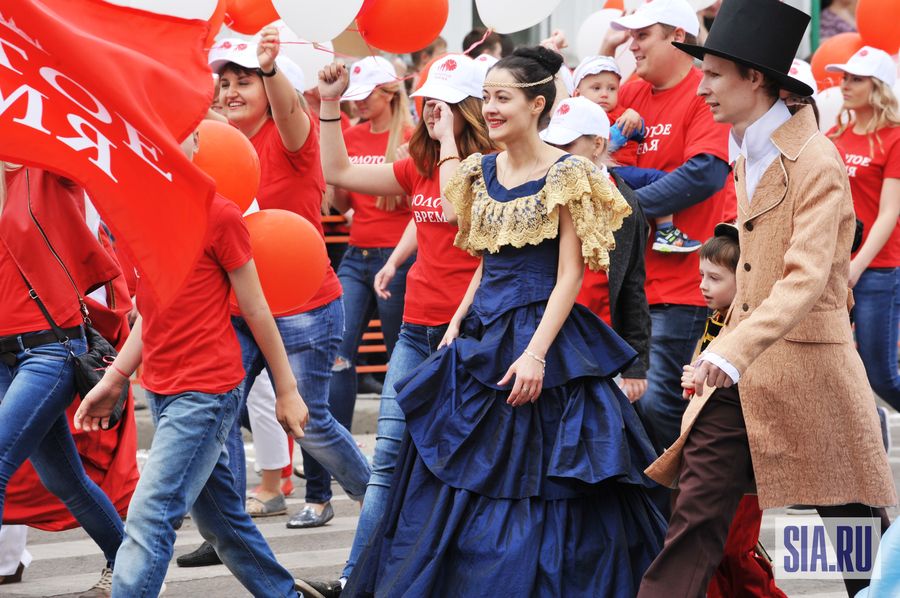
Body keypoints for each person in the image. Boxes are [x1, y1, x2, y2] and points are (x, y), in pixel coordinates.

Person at [344, 45, 666, 598]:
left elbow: (569, 276)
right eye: (486, 96)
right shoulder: (481, 171)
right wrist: (457, 322)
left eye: (503, 98)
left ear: (537, 105)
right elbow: (484, 259)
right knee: (455, 475)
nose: (490, 108)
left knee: (546, 479)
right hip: (482, 335)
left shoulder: (568, 173)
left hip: (543, 338)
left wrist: (536, 354)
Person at [639, 1, 897, 597]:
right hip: (742, 372)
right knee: (694, 518)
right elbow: (755, 261)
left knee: (856, 538)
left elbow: (805, 278)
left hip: (812, 370)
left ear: (754, 77)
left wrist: (729, 350)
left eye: (713, 74)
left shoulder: (816, 158)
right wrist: (722, 340)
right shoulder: (747, 148)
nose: (701, 87)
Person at [74, 131, 310, 598]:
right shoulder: (138, 214)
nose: (163, 142)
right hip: (160, 388)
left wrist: (286, 389)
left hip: (206, 391)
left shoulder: (219, 214)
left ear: (196, 139)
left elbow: (256, 308)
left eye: (177, 132)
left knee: (149, 513)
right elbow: (150, 310)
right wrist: (116, 377)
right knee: (222, 522)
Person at [295, 54, 496, 598]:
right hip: (416, 329)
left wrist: (449, 140)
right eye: (428, 100)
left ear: (468, 109)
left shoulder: (494, 165)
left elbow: (453, 210)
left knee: (459, 464)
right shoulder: (420, 165)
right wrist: (330, 105)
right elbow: (339, 174)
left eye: (445, 102)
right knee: (386, 462)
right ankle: (353, 581)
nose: (432, 110)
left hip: (470, 337)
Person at [178, 28, 369, 564]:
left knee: (306, 421)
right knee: (217, 411)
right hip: (237, 306)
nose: (231, 92)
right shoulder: (213, 144)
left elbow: (288, 110)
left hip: (303, 306)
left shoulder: (292, 139)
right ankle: (229, 532)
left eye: (244, 82)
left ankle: (380, 503)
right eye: (225, 83)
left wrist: (268, 67)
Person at [603, 0, 733, 478]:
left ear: (678, 36)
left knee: (659, 402)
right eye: (630, 36)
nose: (632, 45)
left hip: (683, 285)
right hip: (627, 282)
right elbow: (593, 155)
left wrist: (626, 208)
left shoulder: (703, 94)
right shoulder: (630, 91)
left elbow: (705, 173)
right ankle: (654, 508)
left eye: (642, 36)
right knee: (630, 401)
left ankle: (676, 506)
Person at [0, 164, 126, 598]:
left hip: (50, 349)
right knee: (64, 480)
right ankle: (132, 564)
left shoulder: (46, 170)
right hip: (3, 356)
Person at [302, 56, 414, 518]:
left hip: (398, 259)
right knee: (336, 357)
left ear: (389, 92)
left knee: (402, 362)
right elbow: (342, 197)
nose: (360, 103)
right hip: (356, 253)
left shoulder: (411, 136)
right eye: (355, 97)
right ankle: (324, 483)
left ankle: (401, 472)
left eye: (366, 95)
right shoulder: (351, 134)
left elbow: (422, 206)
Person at [680, 226, 786, 598]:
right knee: (714, 548)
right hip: (710, 450)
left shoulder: (752, 329)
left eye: (714, 278)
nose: (703, 286)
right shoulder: (716, 320)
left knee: (734, 547)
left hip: (741, 454)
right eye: (701, 276)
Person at [539, 96, 651, 402]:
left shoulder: (624, 201)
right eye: (551, 145)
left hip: (597, 345)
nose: (557, 155)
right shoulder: (539, 190)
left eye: (566, 145)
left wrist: (636, 364)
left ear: (597, 145)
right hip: (539, 341)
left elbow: (632, 285)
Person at [825, 46, 900, 414]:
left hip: (877, 270)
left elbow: (890, 213)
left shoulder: (895, 138)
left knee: (880, 375)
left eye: (856, 79)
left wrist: (856, 266)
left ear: (878, 87)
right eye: (844, 78)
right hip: (833, 266)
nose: (845, 85)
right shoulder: (835, 134)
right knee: (840, 374)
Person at [573, 55, 701, 253]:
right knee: (660, 180)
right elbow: (601, 144)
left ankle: (656, 234)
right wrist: (622, 129)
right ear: (577, 94)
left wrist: (636, 121)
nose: (604, 94)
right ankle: (666, 231)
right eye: (596, 88)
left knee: (651, 194)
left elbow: (640, 134)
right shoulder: (579, 116)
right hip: (606, 173)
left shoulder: (619, 112)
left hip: (622, 173)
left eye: (612, 89)